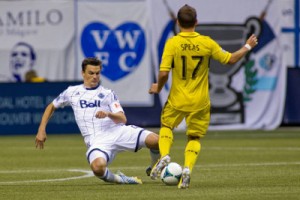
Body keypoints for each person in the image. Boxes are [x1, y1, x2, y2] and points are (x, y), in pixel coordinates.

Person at [148, 4, 258, 189]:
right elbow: (230, 59)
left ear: (177, 22)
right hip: (200, 101)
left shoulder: (172, 43)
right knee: (194, 138)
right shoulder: (206, 42)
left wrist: (158, 87)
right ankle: (188, 169)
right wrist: (247, 45)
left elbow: (164, 72)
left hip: (177, 99)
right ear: (196, 22)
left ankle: (164, 154)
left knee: (166, 126)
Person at [35, 57, 160, 184]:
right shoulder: (72, 92)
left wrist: (108, 114)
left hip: (117, 132)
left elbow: (122, 119)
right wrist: (41, 129)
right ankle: (120, 179)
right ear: (83, 73)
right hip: (97, 140)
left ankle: (154, 167)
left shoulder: (108, 93)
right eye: (91, 73)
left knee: (157, 141)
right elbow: (51, 106)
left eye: (97, 73)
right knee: (97, 168)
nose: (95, 77)